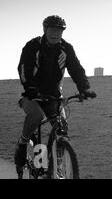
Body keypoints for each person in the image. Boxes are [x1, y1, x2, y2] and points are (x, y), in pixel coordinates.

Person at [14, 15, 96, 169]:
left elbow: (76, 69)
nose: (55, 33)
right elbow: (24, 68)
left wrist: (84, 88)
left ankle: (55, 165)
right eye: (52, 29)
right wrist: (30, 88)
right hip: (30, 93)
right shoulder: (32, 46)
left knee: (62, 127)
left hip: (53, 95)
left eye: (59, 30)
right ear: (45, 30)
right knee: (37, 116)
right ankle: (23, 142)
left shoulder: (66, 48)